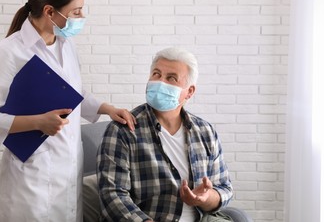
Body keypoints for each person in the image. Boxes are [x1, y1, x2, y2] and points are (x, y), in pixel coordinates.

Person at [0, 0, 135, 222]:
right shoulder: (8, 52)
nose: (82, 17)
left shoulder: (65, 46)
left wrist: (105, 108)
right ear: (49, 12)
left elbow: (73, 92)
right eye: (76, 12)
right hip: (31, 182)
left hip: (67, 175)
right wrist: (38, 122)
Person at [97, 47, 234, 222]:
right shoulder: (123, 130)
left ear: (189, 91)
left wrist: (205, 198)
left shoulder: (205, 132)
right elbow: (112, 195)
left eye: (171, 78)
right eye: (156, 74)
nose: (160, 82)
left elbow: (224, 188)